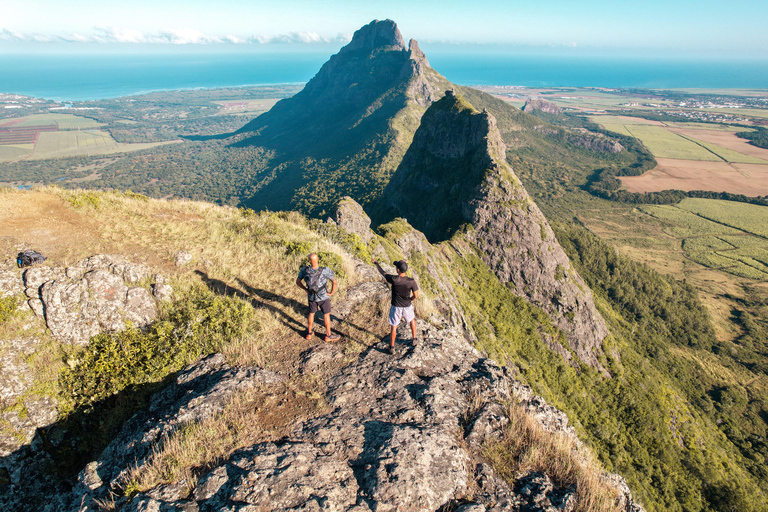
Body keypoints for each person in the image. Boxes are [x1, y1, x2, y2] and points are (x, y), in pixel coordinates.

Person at [373, 258, 419, 353]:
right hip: (407, 306)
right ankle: (414, 339)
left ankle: (392, 347)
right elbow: (416, 296)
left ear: (398, 269)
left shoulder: (394, 279)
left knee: (394, 326)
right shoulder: (411, 281)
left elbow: (383, 272)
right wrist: (409, 300)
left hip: (396, 306)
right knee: (412, 320)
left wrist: (377, 263)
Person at [296, 253, 341, 342]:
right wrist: (331, 293)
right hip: (323, 297)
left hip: (311, 297)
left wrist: (305, 289)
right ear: (318, 259)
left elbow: (298, 282)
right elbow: (334, 281)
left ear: (309, 261)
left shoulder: (304, 270)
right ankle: (328, 335)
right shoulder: (325, 270)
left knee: (311, 313)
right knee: (326, 314)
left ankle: (309, 333)